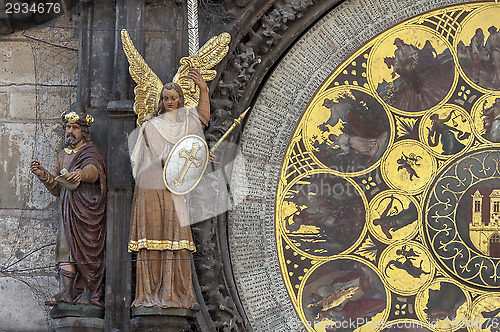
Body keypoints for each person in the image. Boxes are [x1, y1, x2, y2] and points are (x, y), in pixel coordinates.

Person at [128, 68, 209, 309]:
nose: (170, 102)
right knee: (154, 237)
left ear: (181, 100)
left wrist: (203, 89)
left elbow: (203, 118)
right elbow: (163, 157)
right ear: (161, 102)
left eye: (174, 98)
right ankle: (150, 295)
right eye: (166, 99)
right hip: (152, 187)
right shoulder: (152, 126)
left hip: (174, 188)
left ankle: (176, 294)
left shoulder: (185, 125)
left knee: (178, 238)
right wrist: (196, 153)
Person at [30, 105, 107, 308]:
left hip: (86, 210)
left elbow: (95, 170)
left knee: (87, 250)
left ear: (83, 131)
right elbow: (57, 188)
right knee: (66, 250)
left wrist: (82, 174)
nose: (70, 131)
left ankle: (89, 292)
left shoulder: (90, 151)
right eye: (67, 127)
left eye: (74, 127)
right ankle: (65, 293)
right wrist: (44, 175)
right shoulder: (62, 154)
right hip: (67, 208)